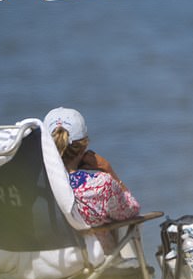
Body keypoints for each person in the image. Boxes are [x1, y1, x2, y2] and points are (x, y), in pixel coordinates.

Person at [44, 107, 140, 252]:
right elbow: (132, 210)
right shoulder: (99, 184)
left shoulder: (36, 182)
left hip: (41, 262)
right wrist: (108, 169)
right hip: (91, 263)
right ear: (84, 145)